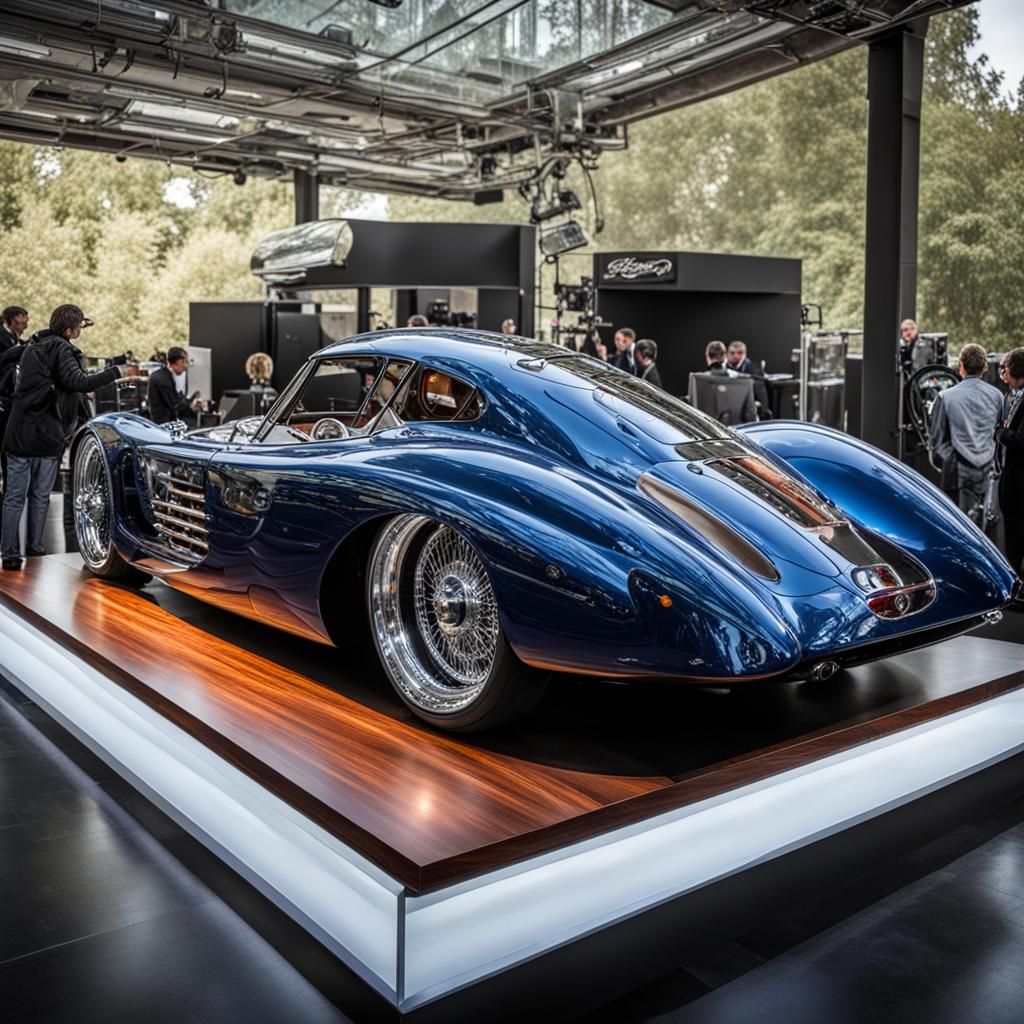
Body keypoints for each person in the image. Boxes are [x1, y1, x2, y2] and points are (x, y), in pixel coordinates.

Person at [1, 304, 126, 570]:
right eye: (79, 325)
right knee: (39, 495)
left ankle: (10, 554)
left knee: (13, 496)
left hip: (18, 431)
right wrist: (116, 372)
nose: (81, 329)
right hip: (46, 433)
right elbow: (78, 382)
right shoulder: (62, 349)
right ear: (70, 328)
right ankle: (35, 550)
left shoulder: (33, 347)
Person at [928, 344, 1004, 521]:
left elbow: (936, 442)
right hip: (988, 475)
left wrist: (947, 462)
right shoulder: (997, 396)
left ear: (960, 365)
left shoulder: (945, 397)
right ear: (984, 367)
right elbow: (999, 435)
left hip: (955, 474)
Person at [994, 347, 1024, 574]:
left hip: (1018, 481)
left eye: (1007, 368)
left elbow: (1021, 439)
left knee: (1015, 534)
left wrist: (1001, 433)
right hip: (1013, 478)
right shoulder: (1015, 395)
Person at [147, 346, 202, 425]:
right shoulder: (161, 378)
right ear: (174, 361)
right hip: (163, 425)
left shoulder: (166, 377)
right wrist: (190, 405)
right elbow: (173, 404)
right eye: (183, 362)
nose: (185, 366)